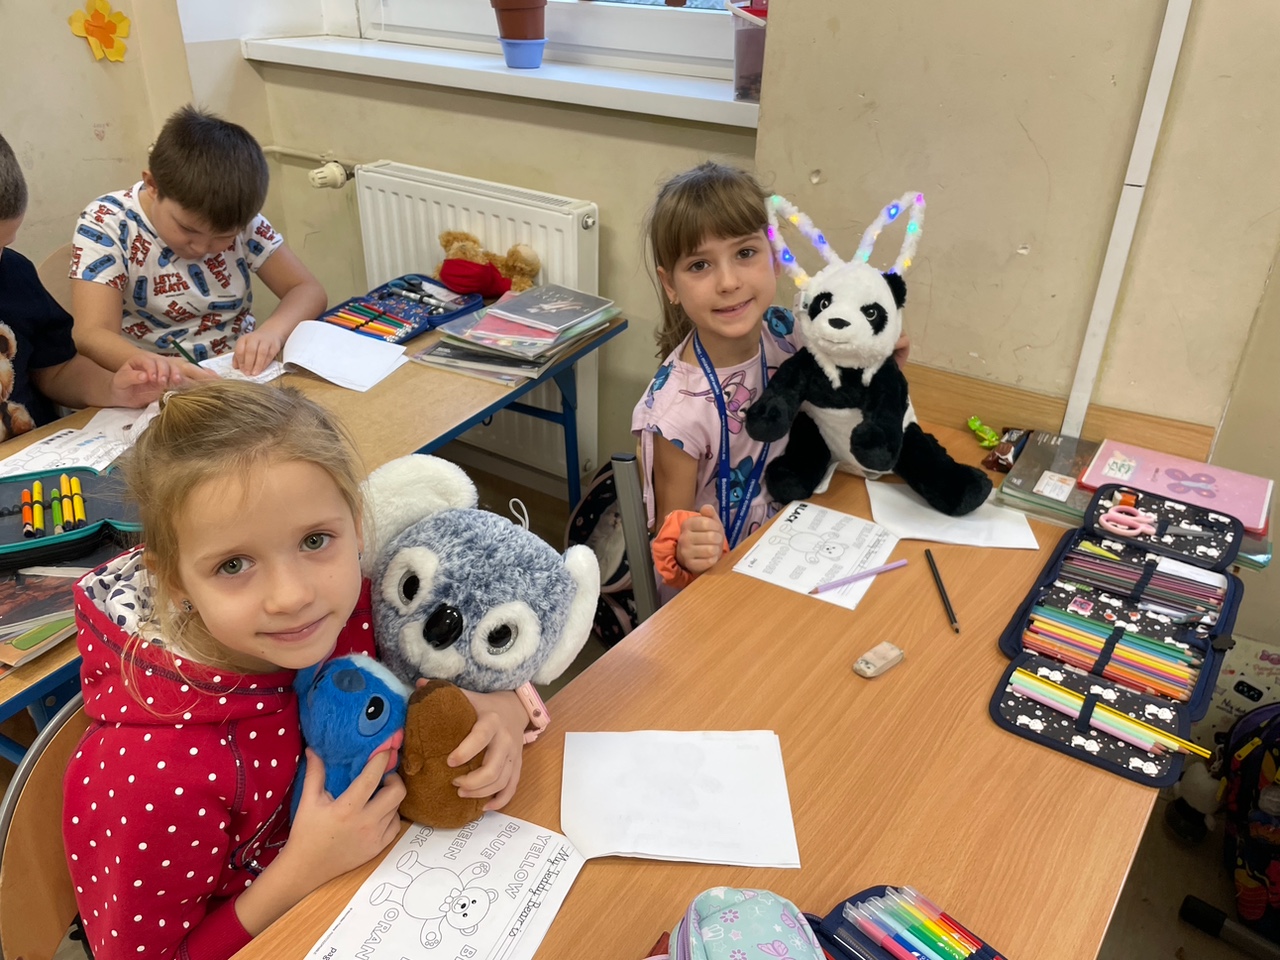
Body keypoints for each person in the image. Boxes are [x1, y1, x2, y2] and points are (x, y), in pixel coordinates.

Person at [62, 381, 533, 960]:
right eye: (233, 565)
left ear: (356, 524)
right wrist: (299, 873)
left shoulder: (361, 609)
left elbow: (474, 662)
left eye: (315, 540)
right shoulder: (148, 776)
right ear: (176, 581)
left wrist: (506, 707)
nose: (291, 596)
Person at [631, 162, 908, 589]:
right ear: (671, 286)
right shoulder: (675, 413)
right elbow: (670, 540)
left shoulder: (788, 331)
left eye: (745, 253)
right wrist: (687, 548)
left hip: (797, 547)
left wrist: (875, 371)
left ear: (776, 255)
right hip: (719, 587)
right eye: (700, 265)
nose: (728, 282)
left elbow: (836, 406)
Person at [69, 105, 327, 379]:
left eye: (224, 237)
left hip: (239, 371)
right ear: (153, 185)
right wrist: (167, 369)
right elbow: (92, 333)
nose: (202, 248)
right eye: (188, 229)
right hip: (151, 379)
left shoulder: (240, 218)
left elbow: (307, 289)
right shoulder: (108, 222)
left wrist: (272, 332)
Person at [0, 131, 170, 438]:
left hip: (40, 452)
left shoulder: (14, 274)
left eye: (4, 244)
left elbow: (57, 370)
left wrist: (112, 388)